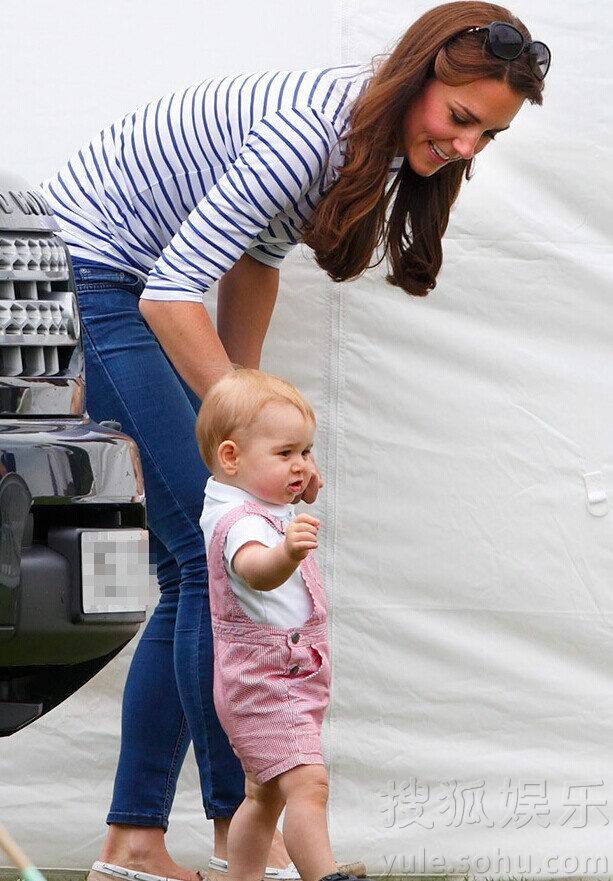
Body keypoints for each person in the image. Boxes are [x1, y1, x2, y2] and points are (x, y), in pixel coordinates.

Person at [39, 3, 550, 880]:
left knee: (187, 570)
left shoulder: (360, 139)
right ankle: (244, 836)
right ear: (417, 76)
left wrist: (249, 417)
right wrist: (248, 419)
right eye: (459, 119)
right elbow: (170, 293)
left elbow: (253, 261)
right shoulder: (308, 132)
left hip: (137, 279)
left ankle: (135, 844)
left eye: (486, 137)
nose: (465, 148)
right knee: (208, 570)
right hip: (99, 273)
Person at [198, 369, 360, 881]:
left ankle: (241, 876)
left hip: (273, 676)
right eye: (286, 453)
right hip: (267, 679)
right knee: (309, 784)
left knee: (262, 793)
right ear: (232, 457)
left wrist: (292, 492)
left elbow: (279, 496)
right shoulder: (241, 523)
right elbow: (256, 572)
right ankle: (323, 874)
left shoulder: (247, 497)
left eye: (306, 452)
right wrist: (287, 550)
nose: (302, 466)